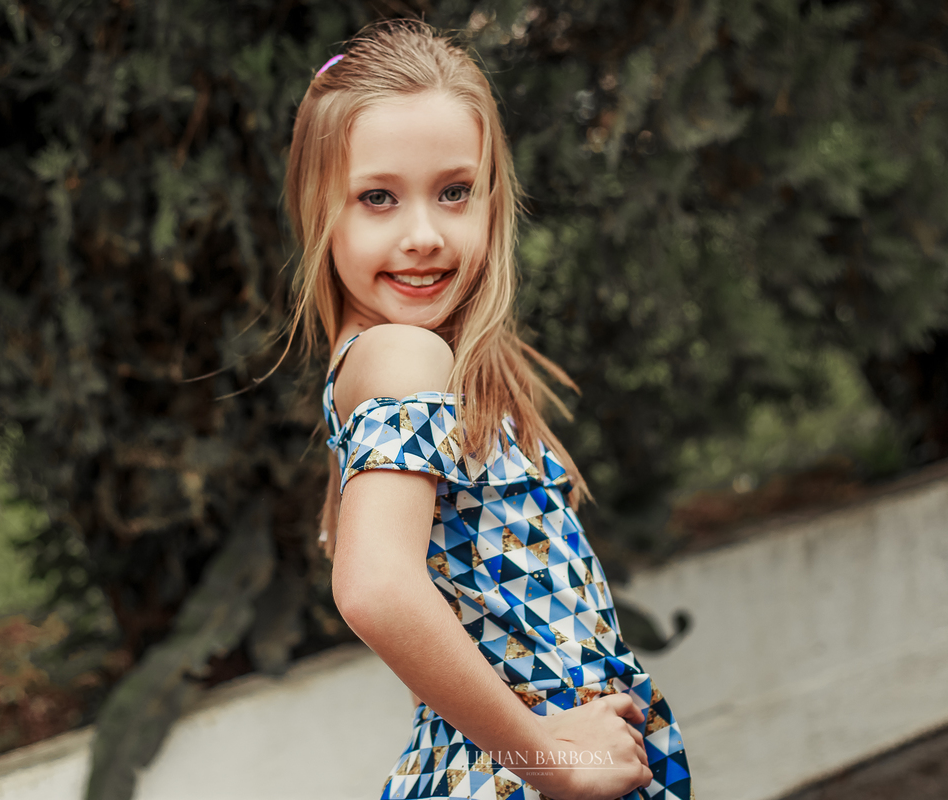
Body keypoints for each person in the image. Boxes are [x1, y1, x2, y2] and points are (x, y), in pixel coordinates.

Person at [283, 19, 694, 800]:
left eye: (454, 192)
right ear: (318, 211)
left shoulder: (391, 364)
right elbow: (373, 587)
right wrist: (546, 757)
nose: (424, 235)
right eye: (377, 198)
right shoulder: (407, 357)